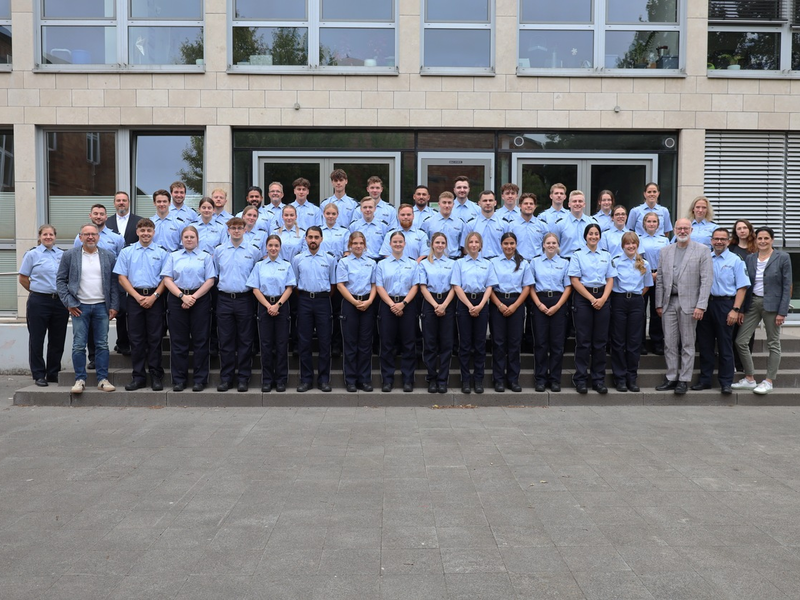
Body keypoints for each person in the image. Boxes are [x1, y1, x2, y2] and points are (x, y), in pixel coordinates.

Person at [56, 223, 119, 394]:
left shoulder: (108, 256)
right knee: (78, 345)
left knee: (102, 345)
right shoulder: (70, 255)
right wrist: (69, 302)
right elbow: (61, 281)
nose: (90, 237)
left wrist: (114, 305)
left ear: (99, 237)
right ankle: (80, 380)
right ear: (80, 237)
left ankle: (102, 379)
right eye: (86, 234)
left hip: (101, 307)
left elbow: (114, 283)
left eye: (93, 234)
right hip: (79, 307)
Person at [654, 218, 713, 395]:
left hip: (690, 304)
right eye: (679, 228)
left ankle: (684, 379)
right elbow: (661, 280)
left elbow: (706, 280)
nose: (682, 231)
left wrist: (701, 306)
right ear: (673, 230)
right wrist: (658, 303)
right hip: (668, 302)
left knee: (687, 343)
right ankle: (671, 377)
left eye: (685, 228)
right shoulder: (665, 251)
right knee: (669, 343)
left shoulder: (702, 251)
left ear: (691, 230)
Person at [733, 227, 792, 395]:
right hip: (753, 303)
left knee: (773, 343)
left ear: (772, 240)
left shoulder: (783, 258)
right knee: (741, 341)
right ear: (756, 240)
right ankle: (750, 378)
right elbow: (745, 284)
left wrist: (783, 312)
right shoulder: (750, 259)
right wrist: (742, 309)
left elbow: (787, 286)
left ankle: (768, 380)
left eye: (766, 238)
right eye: (760, 238)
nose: (763, 241)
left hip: (773, 306)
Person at [113, 218, 169, 391]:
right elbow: (122, 277)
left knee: (155, 338)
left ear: (153, 232)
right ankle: (138, 377)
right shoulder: (127, 252)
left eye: (149, 231)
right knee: (136, 340)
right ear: (137, 232)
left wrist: (154, 296)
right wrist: (137, 297)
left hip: (156, 298)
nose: (145, 234)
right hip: (135, 298)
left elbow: (166, 278)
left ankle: (156, 375)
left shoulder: (162, 252)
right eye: (142, 230)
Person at [161, 226, 216, 392]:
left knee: (201, 341)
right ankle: (179, 380)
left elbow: (210, 280)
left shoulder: (205, 257)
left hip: (200, 299)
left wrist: (193, 297)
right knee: (179, 342)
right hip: (178, 299)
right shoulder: (173, 256)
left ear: (197, 239)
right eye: (186, 237)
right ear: (181, 239)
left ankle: (200, 380)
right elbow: (167, 279)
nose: (189, 239)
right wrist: (182, 297)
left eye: (192, 236)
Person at [694, 228, 749, 394]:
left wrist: (735, 310)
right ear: (711, 241)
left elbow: (742, 287)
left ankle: (726, 382)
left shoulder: (736, 260)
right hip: (706, 304)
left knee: (725, 345)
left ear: (728, 241)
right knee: (705, 345)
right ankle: (705, 380)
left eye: (722, 239)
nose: (719, 242)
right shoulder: (705, 259)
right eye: (716, 239)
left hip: (725, 305)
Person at [19, 225, 69, 387]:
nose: (48, 237)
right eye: (45, 234)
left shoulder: (62, 254)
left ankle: (53, 372)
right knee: (37, 338)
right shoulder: (32, 254)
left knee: (57, 338)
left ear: (55, 236)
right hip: (39, 301)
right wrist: (36, 291)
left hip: (59, 302)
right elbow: (23, 278)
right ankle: (39, 374)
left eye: (51, 234)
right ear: (40, 237)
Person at [569, 224, 616, 394]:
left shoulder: (606, 255)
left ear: (600, 236)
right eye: (590, 234)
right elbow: (574, 280)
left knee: (600, 342)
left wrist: (603, 299)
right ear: (585, 236)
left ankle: (598, 379)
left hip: (602, 297)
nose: (593, 236)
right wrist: (591, 299)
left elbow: (610, 279)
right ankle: (580, 378)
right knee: (583, 341)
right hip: (583, 298)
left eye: (596, 234)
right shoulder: (577, 255)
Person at [214, 217, 259, 392]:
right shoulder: (219, 251)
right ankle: (226, 378)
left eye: (240, 227)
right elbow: (217, 273)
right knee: (225, 341)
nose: (236, 231)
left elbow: (256, 274)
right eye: (233, 228)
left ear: (245, 229)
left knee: (245, 341)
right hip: (224, 299)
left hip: (244, 299)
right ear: (228, 230)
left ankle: (243, 378)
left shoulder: (253, 251)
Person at [247, 234, 296, 393]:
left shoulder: (287, 265)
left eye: (276, 246)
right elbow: (255, 288)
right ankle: (267, 380)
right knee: (266, 345)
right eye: (270, 246)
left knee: (281, 344)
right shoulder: (259, 266)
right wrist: (269, 306)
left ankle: (281, 380)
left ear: (280, 247)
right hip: (264, 305)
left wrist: (278, 305)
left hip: (282, 305)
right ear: (266, 247)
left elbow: (290, 287)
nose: (273, 248)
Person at [452, 231, 498, 394]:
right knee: (464, 344)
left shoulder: (487, 264)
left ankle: (478, 379)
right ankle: (465, 380)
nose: (473, 245)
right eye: (470, 242)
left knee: (479, 344)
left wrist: (480, 305)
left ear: (480, 245)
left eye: (476, 242)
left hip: (481, 302)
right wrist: (469, 305)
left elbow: (490, 286)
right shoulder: (459, 263)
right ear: (466, 245)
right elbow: (456, 286)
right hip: (464, 303)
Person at [292, 226, 337, 392]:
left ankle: (324, 380)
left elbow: (333, 284)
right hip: (303, 300)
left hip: (323, 301)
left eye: (316, 237)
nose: (313, 240)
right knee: (304, 342)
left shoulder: (330, 259)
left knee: (325, 341)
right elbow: (294, 283)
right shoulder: (298, 259)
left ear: (321, 239)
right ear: (305, 239)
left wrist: (320, 297)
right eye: (310, 237)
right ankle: (306, 379)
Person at [376, 231, 420, 392]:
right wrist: (392, 305)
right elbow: (379, 286)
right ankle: (387, 380)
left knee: (408, 343)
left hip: (407, 305)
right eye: (395, 242)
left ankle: (408, 380)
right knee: (387, 343)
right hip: (388, 305)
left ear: (405, 244)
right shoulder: (382, 265)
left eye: (400, 242)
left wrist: (403, 303)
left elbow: (416, 286)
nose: (397, 244)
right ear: (390, 244)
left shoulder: (413, 264)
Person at [610, 232, 653, 392]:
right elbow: (611, 283)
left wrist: (634, 296)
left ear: (637, 245)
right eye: (627, 244)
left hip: (636, 301)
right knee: (619, 340)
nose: (630, 246)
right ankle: (619, 378)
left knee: (634, 342)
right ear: (623, 246)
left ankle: (631, 378)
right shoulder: (614, 262)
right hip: (619, 300)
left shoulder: (645, 264)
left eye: (633, 244)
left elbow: (647, 285)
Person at [489, 233, 532, 392]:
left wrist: (515, 306)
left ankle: (513, 379)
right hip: (497, 302)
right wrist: (499, 305)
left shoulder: (523, 263)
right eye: (506, 243)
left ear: (516, 244)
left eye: (512, 243)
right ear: (501, 245)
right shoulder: (493, 262)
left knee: (514, 343)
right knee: (499, 343)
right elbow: (489, 287)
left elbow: (527, 287)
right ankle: (498, 379)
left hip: (517, 303)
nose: (509, 247)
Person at [336, 232, 377, 392]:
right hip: (350, 303)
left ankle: (364, 379)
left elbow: (374, 284)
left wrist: (369, 301)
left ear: (365, 245)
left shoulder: (371, 263)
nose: (358, 246)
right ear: (350, 246)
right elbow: (340, 285)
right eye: (355, 243)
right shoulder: (344, 262)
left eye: (361, 243)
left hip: (367, 302)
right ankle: (351, 380)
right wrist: (354, 302)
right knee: (351, 343)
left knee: (365, 344)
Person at [530, 233, 571, 392]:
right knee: (540, 343)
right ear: (543, 245)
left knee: (557, 344)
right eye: (548, 243)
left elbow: (568, 287)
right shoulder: (535, 262)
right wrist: (539, 305)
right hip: (540, 302)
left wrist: (558, 305)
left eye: (554, 243)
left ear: (558, 245)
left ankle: (555, 379)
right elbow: (530, 286)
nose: (551, 245)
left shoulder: (565, 263)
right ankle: (540, 379)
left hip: (558, 302)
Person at [418, 232, 456, 394]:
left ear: (446, 245)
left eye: (442, 243)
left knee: (447, 344)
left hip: (448, 301)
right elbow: (422, 286)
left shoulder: (453, 264)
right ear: (432, 244)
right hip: (430, 302)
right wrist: (435, 305)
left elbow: (455, 286)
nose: (440, 245)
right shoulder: (424, 264)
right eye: (437, 242)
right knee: (430, 342)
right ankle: (432, 378)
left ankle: (443, 380)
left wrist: (444, 305)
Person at [105, 191, 141, 356]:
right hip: (114, 272)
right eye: (118, 200)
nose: (121, 203)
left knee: (132, 308)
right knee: (119, 308)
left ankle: (136, 341)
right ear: (114, 203)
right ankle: (122, 342)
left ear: (129, 202)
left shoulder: (139, 221)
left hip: (135, 270)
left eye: (124, 200)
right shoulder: (107, 222)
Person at [639, 212, 670, 355]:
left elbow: (668, 259)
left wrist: (657, 274)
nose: (651, 224)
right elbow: (638, 260)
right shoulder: (639, 239)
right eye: (649, 221)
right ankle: (641, 343)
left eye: (654, 221)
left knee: (657, 310)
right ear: (644, 224)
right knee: (641, 310)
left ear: (658, 224)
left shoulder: (664, 240)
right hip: (644, 277)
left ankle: (657, 342)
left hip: (659, 276)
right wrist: (647, 275)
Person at [729, 219, 757, 371]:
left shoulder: (755, 249)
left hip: (752, 296)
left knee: (747, 333)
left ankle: (744, 365)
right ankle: (733, 363)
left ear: (749, 230)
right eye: (739, 228)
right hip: (734, 295)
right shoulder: (731, 249)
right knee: (732, 332)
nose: (742, 231)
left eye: (744, 228)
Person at [460, 191, 506, 259]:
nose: (488, 203)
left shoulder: (504, 224)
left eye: (490, 200)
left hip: (498, 263)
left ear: (495, 203)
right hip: (478, 262)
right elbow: (465, 249)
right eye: (485, 201)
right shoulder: (470, 225)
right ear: (479, 203)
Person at [552, 191, 597, 258]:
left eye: (580, 201)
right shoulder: (560, 224)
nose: (577, 203)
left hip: (587, 261)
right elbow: (554, 246)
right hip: (567, 262)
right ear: (569, 204)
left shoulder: (593, 223)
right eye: (574, 201)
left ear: (584, 204)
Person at [421, 192, 464, 259]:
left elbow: (463, 246)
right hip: (434, 260)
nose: (447, 205)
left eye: (449, 203)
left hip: (454, 260)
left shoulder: (460, 223)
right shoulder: (428, 222)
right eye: (444, 202)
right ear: (439, 204)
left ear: (453, 204)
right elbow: (424, 244)